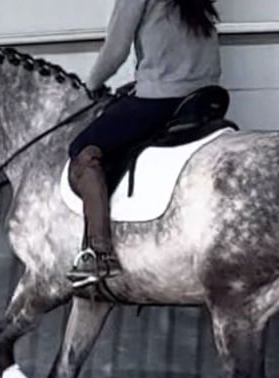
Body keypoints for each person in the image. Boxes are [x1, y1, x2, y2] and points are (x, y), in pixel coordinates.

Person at [66, 0, 222, 288]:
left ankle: (97, 253)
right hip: (205, 96)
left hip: (162, 99)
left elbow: (115, 52)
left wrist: (89, 87)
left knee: (83, 148)